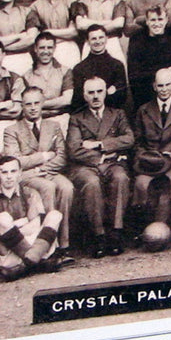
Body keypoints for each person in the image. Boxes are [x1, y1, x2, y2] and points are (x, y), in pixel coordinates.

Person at [67, 75, 134, 257]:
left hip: (113, 164)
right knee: (92, 183)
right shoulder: (77, 118)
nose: (96, 96)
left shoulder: (117, 114)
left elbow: (129, 139)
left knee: (121, 177)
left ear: (105, 93)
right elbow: (74, 149)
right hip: (86, 166)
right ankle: (99, 236)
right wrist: (102, 157)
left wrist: (99, 144)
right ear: (84, 95)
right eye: (91, 92)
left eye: (99, 91)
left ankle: (115, 233)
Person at [2, 86, 75, 251]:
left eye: (36, 103)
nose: (33, 107)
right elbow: (15, 162)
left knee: (67, 187)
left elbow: (62, 156)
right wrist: (42, 157)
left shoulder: (54, 126)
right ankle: (50, 245)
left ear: (43, 103)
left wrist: (44, 168)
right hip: (27, 176)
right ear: (22, 106)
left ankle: (64, 242)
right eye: (28, 104)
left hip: (50, 172)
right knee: (48, 187)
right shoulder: (11, 130)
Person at [131, 66, 171, 235]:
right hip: (150, 160)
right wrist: (145, 156)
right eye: (160, 86)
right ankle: (145, 229)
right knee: (141, 183)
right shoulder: (143, 110)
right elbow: (137, 141)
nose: (164, 89)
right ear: (154, 86)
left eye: (168, 84)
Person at [0, 155, 67, 278]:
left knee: (55, 215)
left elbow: (35, 226)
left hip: (32, 243)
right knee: (3, 218)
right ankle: (37, 263)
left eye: (13, 171)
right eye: (4, 172)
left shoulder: (30, 193)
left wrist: (11, 230)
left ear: (20, 173)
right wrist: (23, 221)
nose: (9, 176)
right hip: (8, 253)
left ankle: (26, 265)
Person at [125, 4, 171, 110]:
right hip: (145, 95)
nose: (157, 24)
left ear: (166, 20)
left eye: (160, 19)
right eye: (153, 20)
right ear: (147, 21)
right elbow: (134, 74)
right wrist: (165, 71)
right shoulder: (137, 41)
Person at [25, 0, 81, 67]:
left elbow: (74, 31)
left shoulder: (71, 2)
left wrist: (47, 32)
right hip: (46, 51)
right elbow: (36, 36)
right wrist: (64, 34)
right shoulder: (35, 7)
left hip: (69, 49)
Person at [68, 24, 129, 112]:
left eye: (101, 37)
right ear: (88, 41)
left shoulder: (117, 65)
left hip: (112, 114)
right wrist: (108, 92)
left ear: (106, 38)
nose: (98, 41)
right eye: (93, 38)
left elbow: (122, 97)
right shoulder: (79, 68)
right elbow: (78, 99)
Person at [24, 31, 74, 114]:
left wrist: (38, 104)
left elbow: (67, 100)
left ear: (54, 48)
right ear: (35, 49)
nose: (46, 51)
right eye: (42, 48)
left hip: (61, 118)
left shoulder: (65, 71)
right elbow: (26, 104)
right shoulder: (27, 76)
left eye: (49, 47)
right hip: (37, 120)